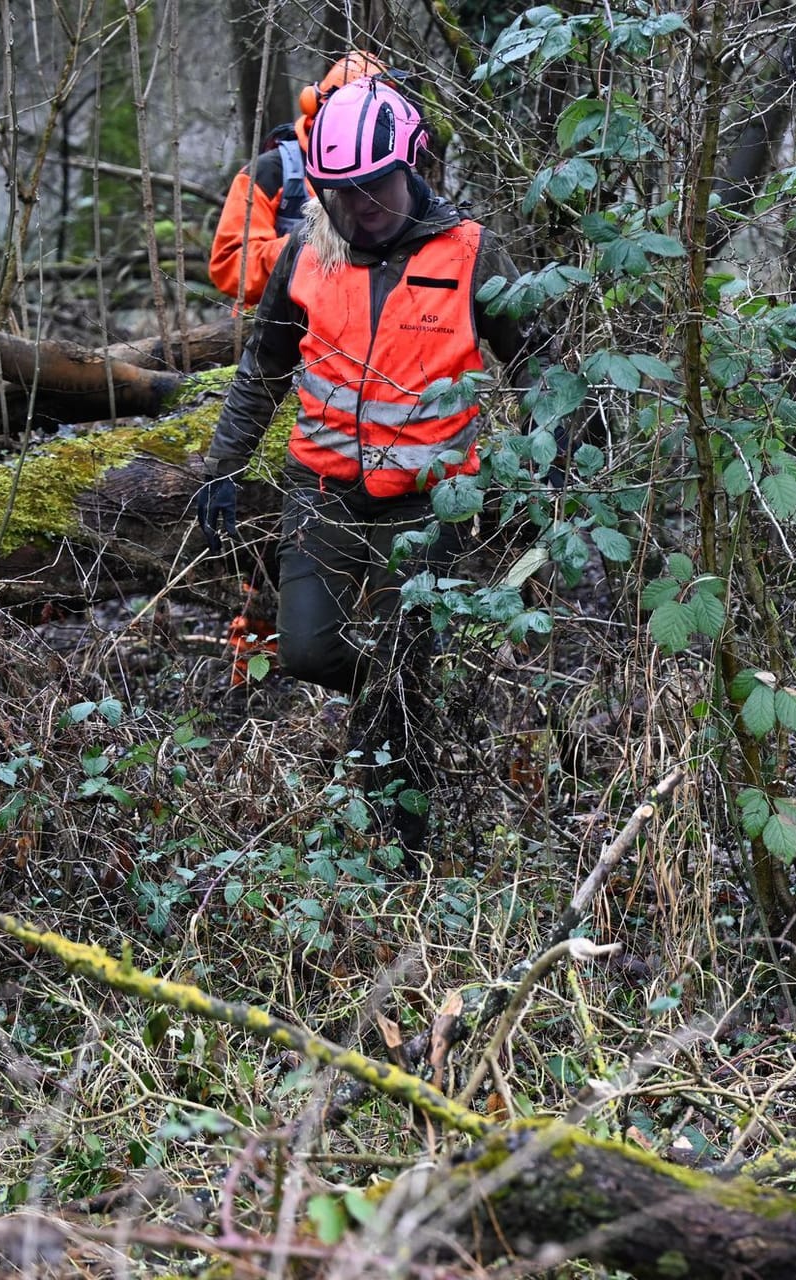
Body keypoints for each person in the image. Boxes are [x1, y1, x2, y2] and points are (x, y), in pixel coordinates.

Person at [194, 77, 538, 860]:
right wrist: (222, 465)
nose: (363, 209)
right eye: (344, 194)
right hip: (322, 490)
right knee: (312, 650)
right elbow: (264, 366)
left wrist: (548, 463)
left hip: (428, 500)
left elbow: (541, 361)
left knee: (401, 661)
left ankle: (403, 854)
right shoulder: (309, 252)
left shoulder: (471, 253)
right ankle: (404, 706)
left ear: (409, 167)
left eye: (376, 188)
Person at [208, 51, 385, 305]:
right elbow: (230, 267)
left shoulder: (390, 175)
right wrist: (303, 246)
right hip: (278, 325)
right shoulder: (269, 174)